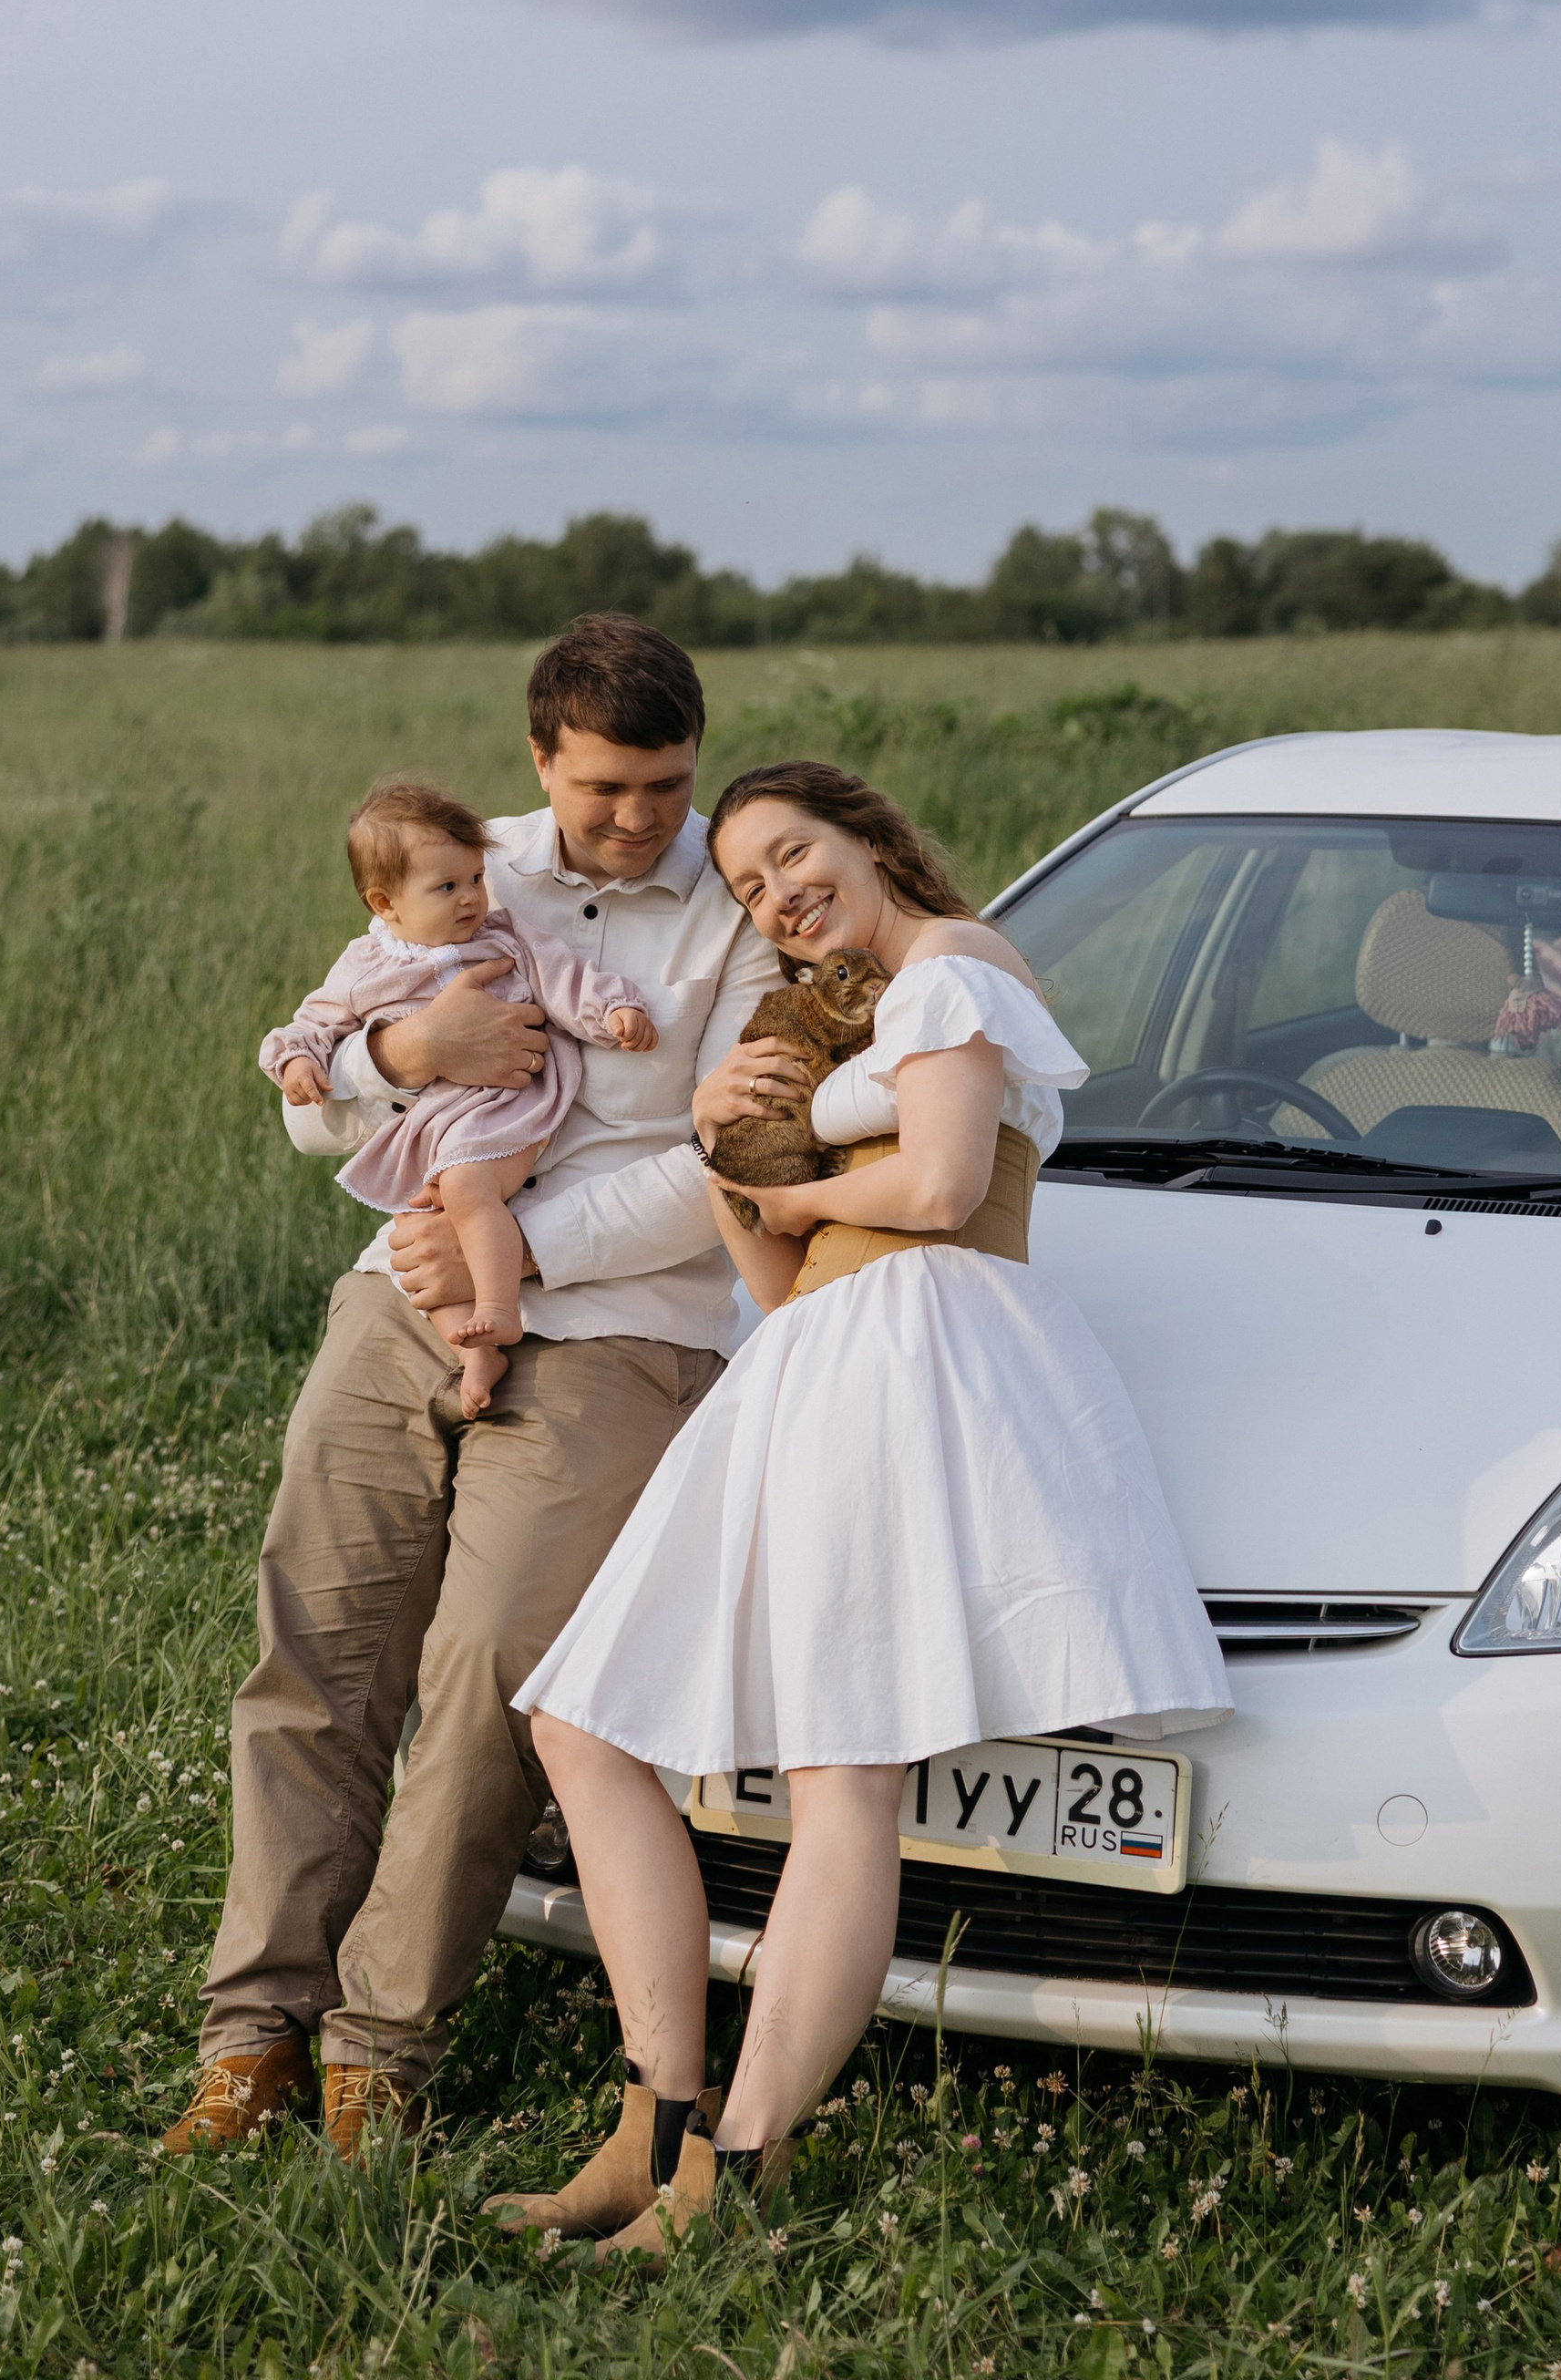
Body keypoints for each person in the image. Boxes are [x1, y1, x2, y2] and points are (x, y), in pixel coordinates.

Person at [497, 759, 1230, 2256]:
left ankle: (733, 2168)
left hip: (918, 1345)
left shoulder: (958, 965)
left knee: (844, 1777)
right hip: (816, 1355)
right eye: (750, 886)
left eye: (795, 853)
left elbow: (948, 1187)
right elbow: (776, 1284)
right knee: (581, 1722)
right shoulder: (840, 1021)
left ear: (871, 835)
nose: (778, 894)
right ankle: (656, 2121)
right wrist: (722, 1153)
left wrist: (801, 1196)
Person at [162, 618, 796, 2161]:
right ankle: (252, 2031)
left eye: (667, 784)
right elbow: (311, 1107)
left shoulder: (740, 917)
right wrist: (404, 1046)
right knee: (317, 1649)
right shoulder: (457, 866)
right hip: (398, 1304)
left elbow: (724, 1160)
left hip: (627, 1327)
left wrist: (520, 1252)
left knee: (490, 1667)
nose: (637, 817)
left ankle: (380, 2043)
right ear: (539, 759)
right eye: (603, 786)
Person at [260, 776, 659, 1415]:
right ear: (385, 903)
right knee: (415, 1231)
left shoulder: (504, 937)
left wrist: (612, 1011)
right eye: (447, 888)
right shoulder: (365, 965)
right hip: (433, 1128)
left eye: (475, 878)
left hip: (507, 1108)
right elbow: (316, 1021)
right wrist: (298, 1059)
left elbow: (565, 976)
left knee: (469, 1191)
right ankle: (473, 1349)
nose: (472, 897)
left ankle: (499, 1307)